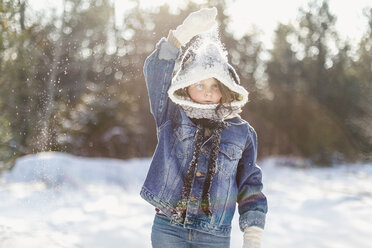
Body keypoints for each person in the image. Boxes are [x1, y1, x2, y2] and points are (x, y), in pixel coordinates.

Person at [140, 7, 268, 248]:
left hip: (214, 235)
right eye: (199, 84)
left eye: (215, 85)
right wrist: (180, 36)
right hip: (169, 228)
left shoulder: (242, 133)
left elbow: (250, 183)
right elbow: (156, 72)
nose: (208, 92)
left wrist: (253, 232)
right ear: (186, 84)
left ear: (227, 88)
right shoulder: (171, 114)